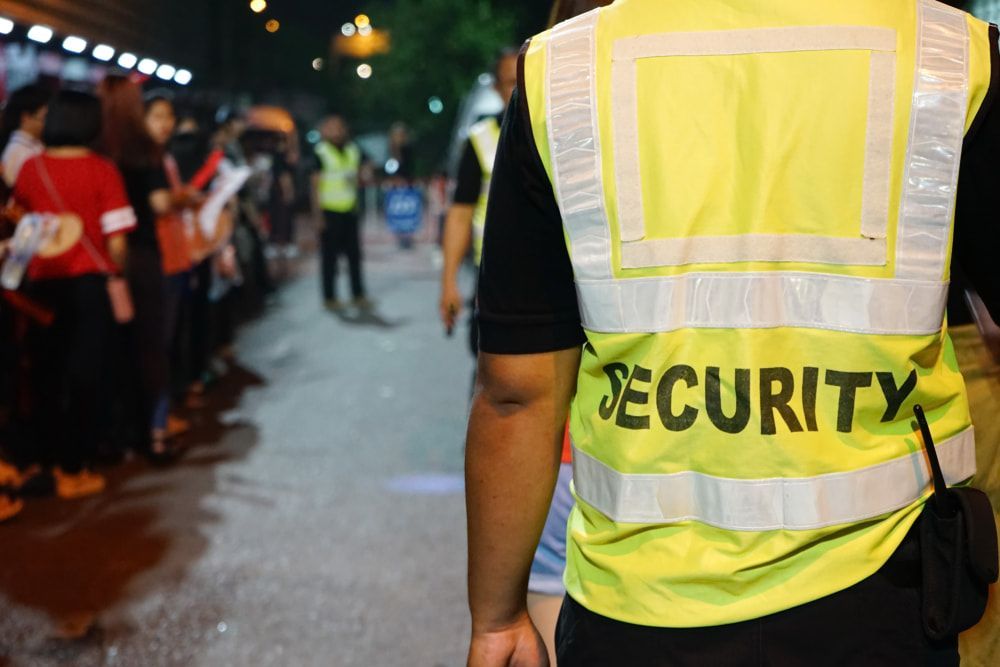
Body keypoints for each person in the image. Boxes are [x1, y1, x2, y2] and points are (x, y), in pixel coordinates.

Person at [466, 1, 1000, 665]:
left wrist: (496, 616)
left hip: (635, 606)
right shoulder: (948, 54)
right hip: (883, 593)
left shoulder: (562, 73)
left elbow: (518, 391)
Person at [13, 90, 136, 499]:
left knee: (46, 372)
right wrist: (116, 266)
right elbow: (117, 241)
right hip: (87, 287)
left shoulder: (31, 168)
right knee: (86, 376)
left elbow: (21, 220)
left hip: (41, 284)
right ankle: (73, 467)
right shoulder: (102, 170)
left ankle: (45, 460)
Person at [99, 75, 175, 459]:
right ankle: (156, 432)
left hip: (100, 263)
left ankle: (117, 435)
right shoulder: (145, 150)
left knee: (114, 348)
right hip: (140, 257)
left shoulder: (95, 149)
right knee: (150, 344)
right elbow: (160, 203)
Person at [439, 48, 518, 350]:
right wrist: (448, 283)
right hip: (493, 276)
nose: (520, 90)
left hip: (551, 276)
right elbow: (460, 214)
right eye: (511, 82)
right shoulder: (480, 138)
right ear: (497, 90)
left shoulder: (558, 133)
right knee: (489, 370)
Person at [312, 115, 369, 311]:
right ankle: (330, 297)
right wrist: (318, 216)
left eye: (339, 127)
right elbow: (315, 187)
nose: (336, 131)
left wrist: (365, 174)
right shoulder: (320, 152)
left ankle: (358, 294)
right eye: (331, 127)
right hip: (329, 212)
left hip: (350, 210)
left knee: (354, 256)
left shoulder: (353, 149)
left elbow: (364, 170)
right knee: (329, 258)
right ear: (324, 130)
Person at [0, 84, 49, 188]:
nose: (48, 123)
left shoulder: (29, 146)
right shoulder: (20, 151)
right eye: (45, 117)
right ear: (26, 117)